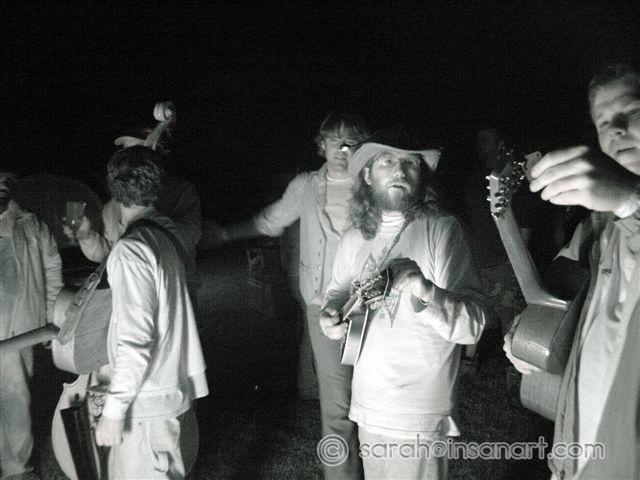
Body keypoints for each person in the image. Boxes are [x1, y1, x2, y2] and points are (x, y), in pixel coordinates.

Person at [214, 111, 370, 479]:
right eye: (335, 141)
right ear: (321, 145)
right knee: (337, 405)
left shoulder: (373, 184)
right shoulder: (306, 186)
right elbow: (270, 220)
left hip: (372, 307)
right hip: (324, 309)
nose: (342, 150)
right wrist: (223, 234)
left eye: (351, 143)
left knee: (376, 399)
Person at [319, 136, 486, 480]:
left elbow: (474, 325)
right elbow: (336, 291)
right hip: (367, 406)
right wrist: (331, 315)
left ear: (420, 175)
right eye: (387, 161)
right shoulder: (353, 237)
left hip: (418, 415)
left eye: (410, 163)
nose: (399, 171)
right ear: (367, 175)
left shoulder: (442, 230)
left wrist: (426, 292)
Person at [504, 63, 640, 479]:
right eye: (603, 122)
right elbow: (583, 331)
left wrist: (631, 200)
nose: (616, 130)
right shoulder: (596, 227)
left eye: (633, 111)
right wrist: (533, 336)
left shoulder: (621, 206)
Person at [93, 146, 209, 479]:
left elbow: (135, 340)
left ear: (113, 191)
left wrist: (113, 411)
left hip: (147, 402)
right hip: (166, 390)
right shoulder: (164, 236)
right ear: (158, 188)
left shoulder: (131, 250)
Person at [0, 171, 64, 479]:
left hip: (19, 329)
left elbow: (52, 270)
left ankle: (16, 469)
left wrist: (51, 317)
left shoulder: (32, 225)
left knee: (16, 397)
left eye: (6, 182)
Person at [73, 125, 201, 266]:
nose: (127, 159)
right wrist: (86, 237)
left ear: (154, 151)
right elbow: (107, 253)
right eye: (125, 151)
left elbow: (190, 236)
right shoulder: (113, 205)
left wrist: (143, 219)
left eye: (134, 151)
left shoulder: (180, 191)